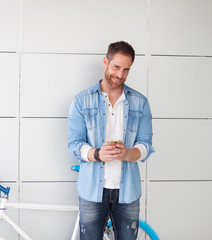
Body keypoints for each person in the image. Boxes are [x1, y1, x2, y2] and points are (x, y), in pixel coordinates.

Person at [67, 41, 155, 240]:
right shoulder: (81, 101)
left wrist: (128, 153)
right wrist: (97, 154)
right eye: (116, 67)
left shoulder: (140, 102)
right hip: (92, 191)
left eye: (126, 70)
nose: (120, 75)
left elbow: (145, 144)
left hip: (128, 192)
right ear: (105, 61)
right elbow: (74, 144)